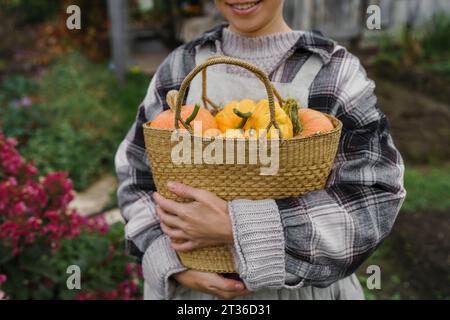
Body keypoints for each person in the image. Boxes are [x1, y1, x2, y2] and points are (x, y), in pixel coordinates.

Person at [115, 0, 406, 300]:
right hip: (192, 294)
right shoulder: (181, 67)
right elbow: (135, 173)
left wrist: (238, 227)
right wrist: (171, 262)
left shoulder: (333, 71)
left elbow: (373, 199)